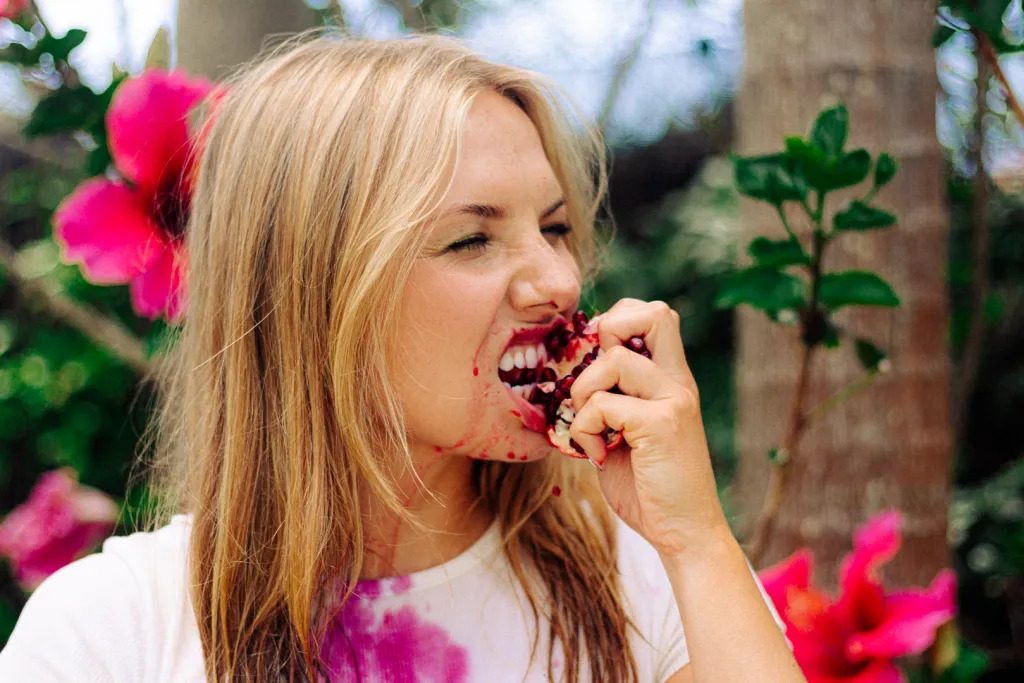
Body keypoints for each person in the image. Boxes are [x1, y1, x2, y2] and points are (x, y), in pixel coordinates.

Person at [0, 32, 803, 682]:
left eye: (556, 228)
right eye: (473, 238)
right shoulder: (109, 631)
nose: (561, 280)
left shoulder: (649, 579)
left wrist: (697, 539)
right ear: (314, 295)